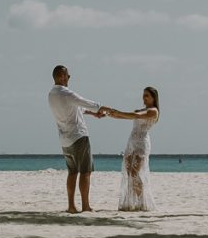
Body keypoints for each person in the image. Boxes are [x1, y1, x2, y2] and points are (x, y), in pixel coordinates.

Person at [48, 65, 110, 213]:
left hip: (65, 140)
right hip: (78, 137)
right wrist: (103, 108)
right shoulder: (66, 93)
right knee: (85, 172)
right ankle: (85, 206)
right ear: (61, 76)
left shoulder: (51, 95)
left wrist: (93, 114)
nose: (69, 78)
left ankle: (71, 206)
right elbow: (84, 102)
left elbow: (76, 108)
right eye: (68, 76)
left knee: (72, 172)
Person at [106, 86, 160, 211]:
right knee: (129, 172)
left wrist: (118, 112)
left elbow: (134, 115)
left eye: (147, 95)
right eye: (143, 95)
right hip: (131, 142)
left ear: (153, 98)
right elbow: (126, 117)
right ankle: (132, 201)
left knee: (135, 172)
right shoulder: (141, 110)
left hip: (141, 143)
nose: (144, 97)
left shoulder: (153, 111)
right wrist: (111, 114)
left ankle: (141, 201)